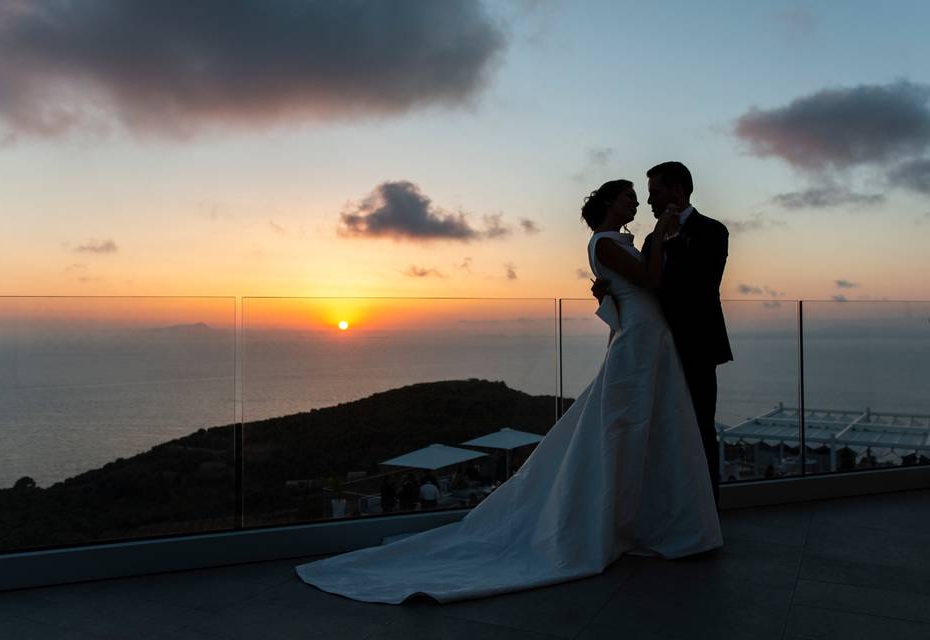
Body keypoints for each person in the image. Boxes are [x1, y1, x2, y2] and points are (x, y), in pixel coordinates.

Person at [296, 179, 722, 603]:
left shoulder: (621, 242)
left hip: (650, 334)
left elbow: (641, 280)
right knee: (621, 425)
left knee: (644, 424)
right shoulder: (607, 243)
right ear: (610, 203)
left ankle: (637, 518)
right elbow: (650, 278)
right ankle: (603, 521)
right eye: (629, 197)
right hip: (639, 338)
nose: (637, 203)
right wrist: (661, 238)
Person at [594, 162, 732, 504]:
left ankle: (707, 511)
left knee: (699, 427)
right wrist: (611, 290)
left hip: (696, 345)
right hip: (652, 344)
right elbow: (645, 286)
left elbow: (702, 284)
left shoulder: (712, 230)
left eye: (655, 192)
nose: (649, 201)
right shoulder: (649, 238)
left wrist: (667, 240)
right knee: (658, 429)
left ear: (678, 191)